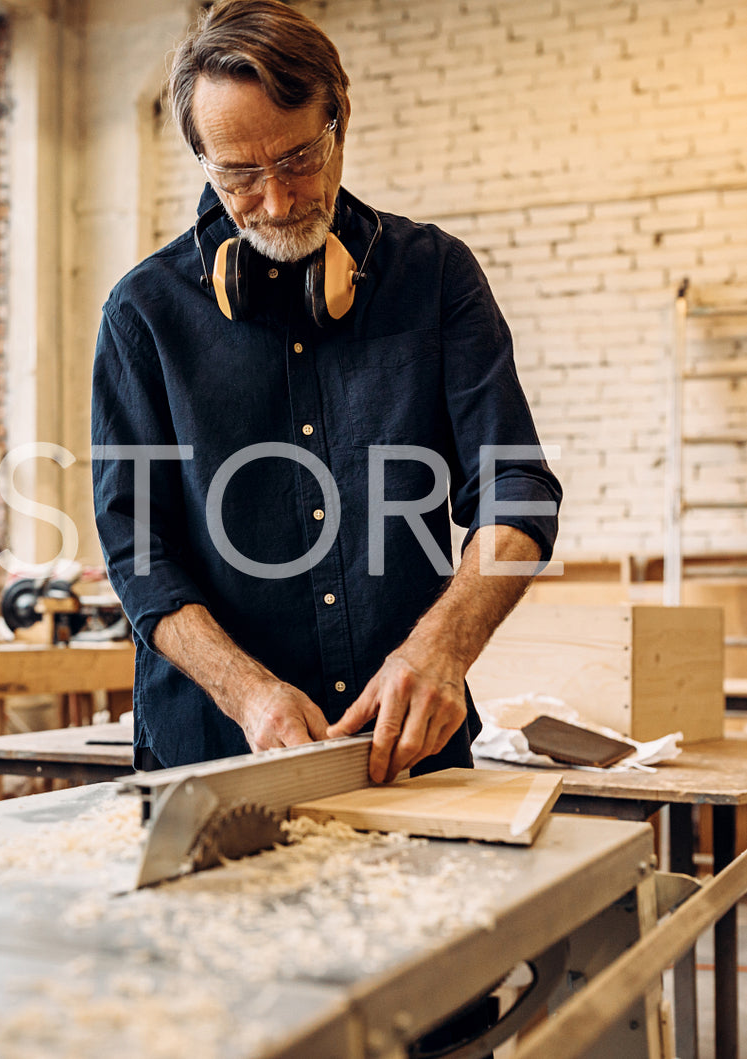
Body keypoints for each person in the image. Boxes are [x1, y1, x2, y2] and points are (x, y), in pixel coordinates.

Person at [91, 0, 561, 785]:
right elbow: (139, 552)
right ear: (201, 158)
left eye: (298, 159)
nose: (275, 201)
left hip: (411, 754)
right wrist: (246, 693)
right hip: (211, 758)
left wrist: (440, 648)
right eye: (239, 173)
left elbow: (516, 489)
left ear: (337, 117)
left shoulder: (435, 277)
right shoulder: (143, 315)